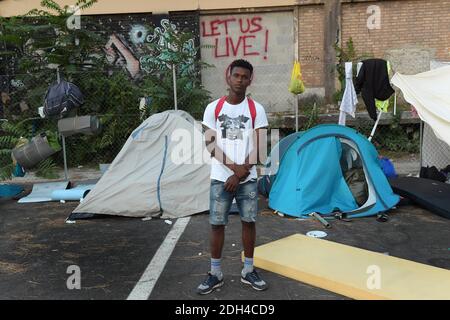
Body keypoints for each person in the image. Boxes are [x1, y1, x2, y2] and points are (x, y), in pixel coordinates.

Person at [198, 59, 269, 295]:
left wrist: (239, 176)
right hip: (221, 177)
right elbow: (210, 145)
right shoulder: (214, 108)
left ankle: (248, 270)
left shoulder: (255, 109)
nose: (240, 80)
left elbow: (258, 147)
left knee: (249, 222)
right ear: (228, 77)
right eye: (236, 75)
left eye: (244, 77)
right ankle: (215, 273)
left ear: (250, 80)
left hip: (246, 178)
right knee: (217, 224)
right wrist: (233, 171)